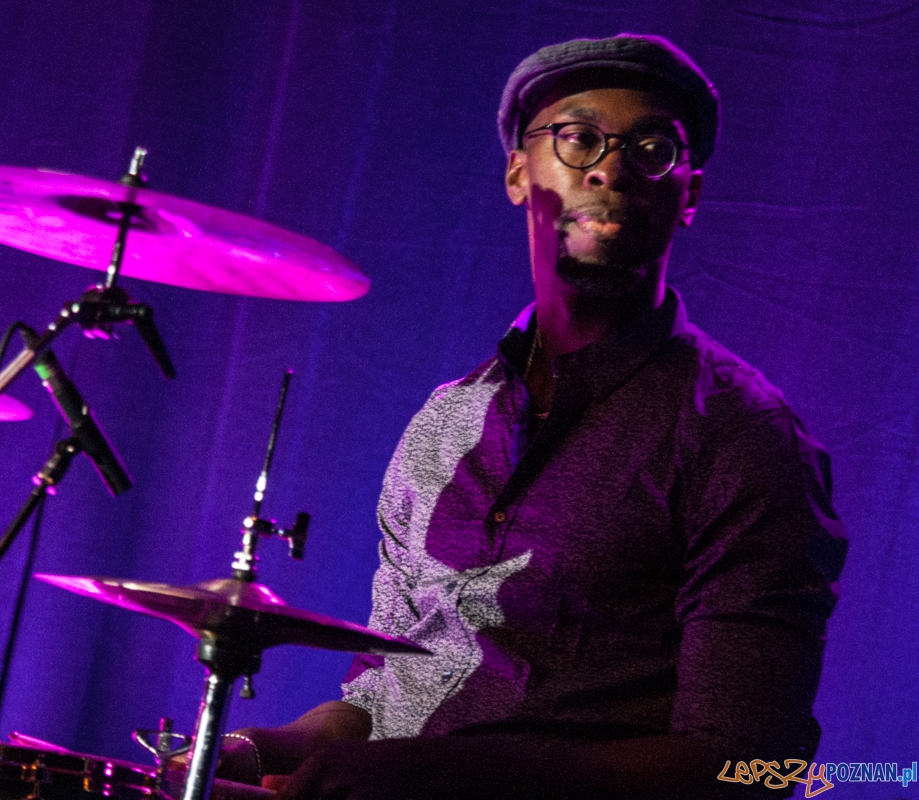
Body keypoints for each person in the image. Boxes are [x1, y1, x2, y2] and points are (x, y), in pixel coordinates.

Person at [215, 34, 848, 799]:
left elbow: (749, 767)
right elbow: (382, 698)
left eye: (652, 148)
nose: (611, 168)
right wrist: (247, 752)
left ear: (690, 194)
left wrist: (450, 771)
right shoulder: (444, 422)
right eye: (578, 138)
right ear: (520, 173)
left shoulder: (745, 440)